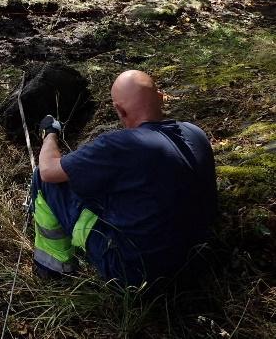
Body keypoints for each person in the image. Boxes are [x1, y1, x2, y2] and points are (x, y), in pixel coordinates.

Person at [31, 70, 216, 286]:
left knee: (45, 182)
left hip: (133, 276)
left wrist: (50, 135)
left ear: (119, 110)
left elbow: (48, 171)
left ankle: (53, 270)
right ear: (160, 96)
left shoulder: (121, 144)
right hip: (194, 265)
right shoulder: (195, 133)